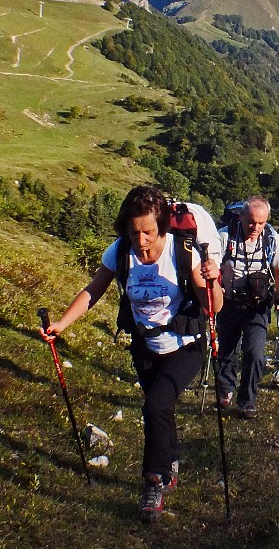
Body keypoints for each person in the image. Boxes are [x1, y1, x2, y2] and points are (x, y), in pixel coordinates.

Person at [41, 185, 223, 523]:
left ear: (163, 226)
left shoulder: (183, 252)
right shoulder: (121, 251)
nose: (141, 240)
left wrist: (213, 281)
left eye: (149, 232)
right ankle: (169, 462)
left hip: (186, 344)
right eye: (134, 231)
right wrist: (61, 324)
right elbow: (94, 289)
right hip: (145, 345)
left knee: (156, 405)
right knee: (159, 408)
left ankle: (154, 482)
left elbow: (213, 305)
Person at [216, 196, 279, 418]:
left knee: (255, 353)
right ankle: (226, 390)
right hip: (228, 303)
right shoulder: (224, 236)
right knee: (227, 350)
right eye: (251, 222)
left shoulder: (272, 239)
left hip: (257, 306)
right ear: (241, 216)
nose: (255, 227)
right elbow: (211, 268)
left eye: (261, 223)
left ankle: (247, 400)